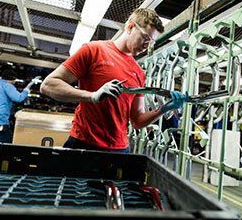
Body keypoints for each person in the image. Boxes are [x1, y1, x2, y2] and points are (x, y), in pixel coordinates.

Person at [40, 8, 187, 153]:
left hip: (120, 149)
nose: (147, 46)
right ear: (130, 27)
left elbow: (137, 120)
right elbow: (48, 85)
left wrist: (164, 109)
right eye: (145, 38)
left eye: (151, 42)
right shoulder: (93, 50)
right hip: (84, 144)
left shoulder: (138, 72)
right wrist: (92, 96)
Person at [0, 69, 39, 143]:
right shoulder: (7, 86)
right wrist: (27, 89)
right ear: (12, 79)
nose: (14, 82)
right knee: (7, 143)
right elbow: (18, 98)